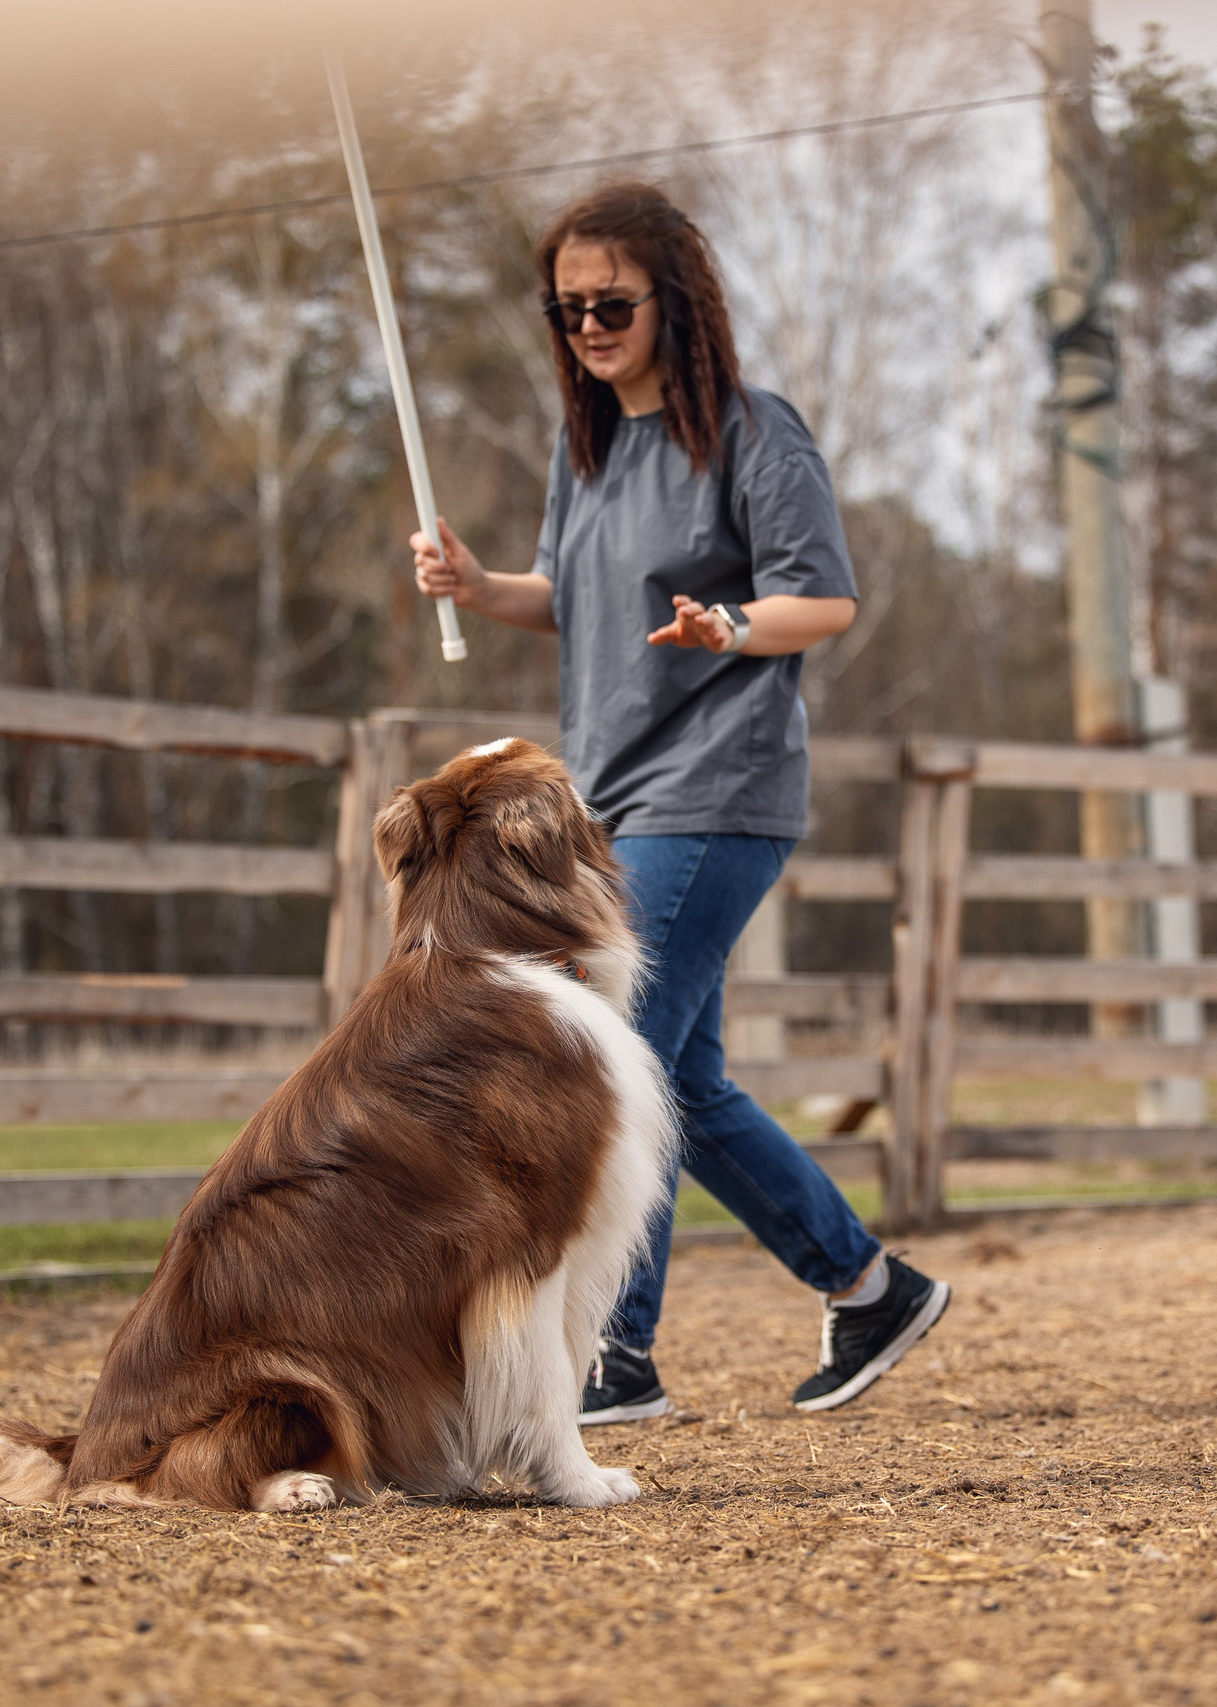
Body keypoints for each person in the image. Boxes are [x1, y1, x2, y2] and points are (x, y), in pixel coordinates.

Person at [408, 180, 948, 1422]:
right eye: (567, 308)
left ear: (676, 303)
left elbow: (826, 597)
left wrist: (733, 624)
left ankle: (618, 1356)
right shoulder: (584, 445)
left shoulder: (757, 434)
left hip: (717, 786)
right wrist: (482, 584)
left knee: (612, 1049)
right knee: (685, 1081)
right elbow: (577, 595)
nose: (587, 326)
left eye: (611, 304)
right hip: (608, 796)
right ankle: (867, 1285)